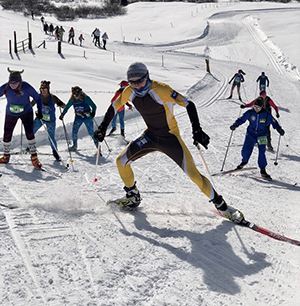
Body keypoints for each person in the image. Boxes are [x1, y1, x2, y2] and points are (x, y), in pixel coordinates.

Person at [94, 62, 244, 223]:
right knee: (121, 161)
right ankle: (132, 196)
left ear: (147, 77)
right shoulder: (128, 92)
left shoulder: (161, 90)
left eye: (140, 81)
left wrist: (197, 130)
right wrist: (102, 127)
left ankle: (222, 206)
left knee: (193, 174)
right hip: (150, 135)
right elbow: (113, 107)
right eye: (133, 83)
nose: (137, 86)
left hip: (170, 138)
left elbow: (188, 103)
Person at [230, 97, 285, 180]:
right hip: (251, 134)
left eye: (258, 108)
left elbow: (274, 122)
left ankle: (263, 170)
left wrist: (279, 129)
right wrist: (235, 124)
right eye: (254, 107)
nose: (256, 109)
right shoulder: (250, 113)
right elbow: (242, 119)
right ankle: (244, 161)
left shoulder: (266, 115)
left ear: (262, 107)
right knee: (246, 150)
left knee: (262, 152)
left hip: (262, 134)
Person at [0, 68, 43, 168]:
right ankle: (6, 156)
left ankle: (34, 158)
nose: (13, 85)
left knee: (29, 133)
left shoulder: (26, 87)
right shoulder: (6, 87)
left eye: (15, 82)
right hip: (11, 113)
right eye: (11, 82)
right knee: (7, 133)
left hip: (26, 112)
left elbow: (37, 98)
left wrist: (40, 111)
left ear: (20, 81)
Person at [31, 81, 66, 161]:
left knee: (51, 136)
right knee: (32, 131)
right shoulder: (37, 97)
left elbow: (64, 106)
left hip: (51, 121)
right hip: (40, 118)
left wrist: (61, 104)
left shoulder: (53, 98)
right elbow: (30, 105)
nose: (43, 91)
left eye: (45, 89)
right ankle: (31, 147)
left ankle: (55, 152)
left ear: (48, 90)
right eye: (42, 89)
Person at [59, 86, 98, 151]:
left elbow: (94, 106)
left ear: (80, 93)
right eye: (74, 94)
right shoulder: (72, 99)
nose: (76, 96)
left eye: (77, 94)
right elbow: (67, 107)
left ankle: (97, 145)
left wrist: (93, 112)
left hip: (87, 117)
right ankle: (74, 146)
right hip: (78, 117)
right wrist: (63, 114)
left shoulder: (85, 98)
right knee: (74, 131)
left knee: (91, 132)